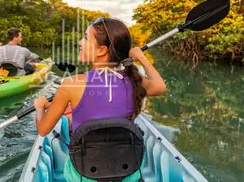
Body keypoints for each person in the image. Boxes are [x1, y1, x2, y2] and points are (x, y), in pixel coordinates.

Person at [33, 17, 166, 181]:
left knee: (68, 120)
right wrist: (142, 58)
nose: (80, 43)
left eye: (86, 38)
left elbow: (43, 130)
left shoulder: (71, 84)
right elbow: (160, 87)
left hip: (84, 175)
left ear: (101, 50)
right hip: (127, 173)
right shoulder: (134, 80)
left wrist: (40, 107)